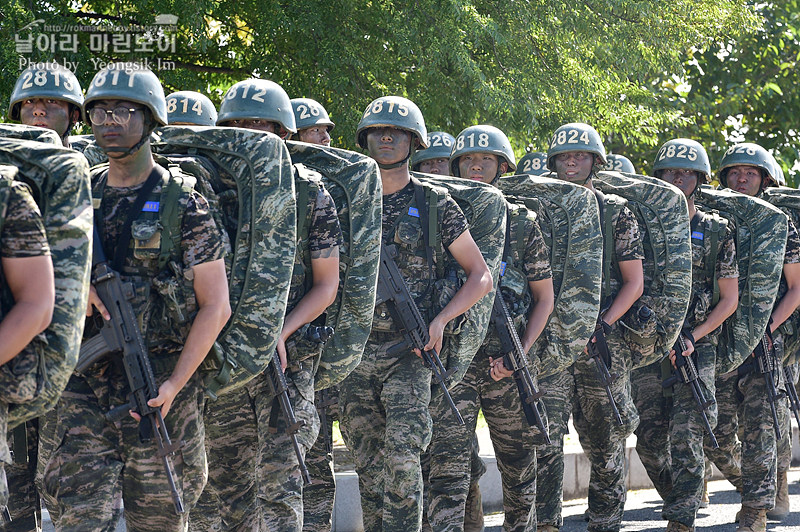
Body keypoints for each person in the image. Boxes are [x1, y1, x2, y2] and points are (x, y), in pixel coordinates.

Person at [38, 62, 231, 532]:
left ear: (150, 121)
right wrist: (73, 290)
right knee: (79, 520)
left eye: (124, 110)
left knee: (162, 520)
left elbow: (216, 305)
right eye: (100, 111)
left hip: (158, 390)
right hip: (83, 391)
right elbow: (33, 279)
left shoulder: (184, 203)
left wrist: (174, 384)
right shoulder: (74, 195)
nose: (110, 120)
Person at [192, 78, 342, 532]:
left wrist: (282, 330)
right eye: (240, 124)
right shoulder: (201, 187)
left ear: (285, 135)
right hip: (218, 358)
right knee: (215, 487)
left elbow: (326, 285)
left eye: (265, 125)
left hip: (285, 363)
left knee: (280, 486)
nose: (252, 133)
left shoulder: (310, 193)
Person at [339, 95, 493, 531]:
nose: (387, 138)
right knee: (369, 468)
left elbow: (480, 275)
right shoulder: (346, 200)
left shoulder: (433, 204)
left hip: (410, 354)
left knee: (404, 463)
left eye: (398, 132)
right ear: (366, 138)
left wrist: (442, 319)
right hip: (355, 354)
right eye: (379, 131)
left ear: (414, 142)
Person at [426, 124, 554, 532]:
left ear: (502, 166)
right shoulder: (440, 213)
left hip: (505, 363)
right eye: (467, 159)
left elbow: (544, 298)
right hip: (455, 362)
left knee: (518, 468)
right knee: (449, 465)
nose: (475, 166)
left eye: (485, 159)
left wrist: (519, 356)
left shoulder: (521, 223)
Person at [536, 123, 644, 532]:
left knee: (606, 439)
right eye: (564, 156)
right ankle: (545, 522)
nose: (572, 162)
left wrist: (602, 323)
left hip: (604, 341)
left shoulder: (616, 212)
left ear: (595, 161)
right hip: (552, 341)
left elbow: (634, 282)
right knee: (545, 436)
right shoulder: (541, 207)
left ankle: (605, 521)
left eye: (580, 155)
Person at [633, 138, 738, 532]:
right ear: (657, 177)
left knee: (689, 433)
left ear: (700, 178)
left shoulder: (715, 231)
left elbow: (728, 299)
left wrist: (695, 334)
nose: (679, 179)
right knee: (647, 437)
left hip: (698, 345)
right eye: (670, 172)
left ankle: (682, 520)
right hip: (649, 343)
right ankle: (679, 497)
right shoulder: (640, 227)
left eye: (687, 172)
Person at [3, 61, 83, 532]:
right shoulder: (7, 170)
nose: (38, 111)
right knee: (14, 474)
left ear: (72, 114)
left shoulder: (95, 169)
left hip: (76, 348)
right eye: (30, 103)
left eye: (51, 103)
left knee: (65, 476)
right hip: (16, 334)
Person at [704, 142, 800, 532]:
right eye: (734, 172)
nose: (741, 179)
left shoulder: (781, 225)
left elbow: (796, 288)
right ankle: (756, 487)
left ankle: (757, 509)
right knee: (717, 431)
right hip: (718, 339)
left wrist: (768, 327)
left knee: (763, 426)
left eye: (751, 172)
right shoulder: (710, 220)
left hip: (767, 341)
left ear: (765, 179)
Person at [8, 62, 83, 148]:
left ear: (74, 116)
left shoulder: (92, 157)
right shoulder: (5, 156)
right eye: (29, 101)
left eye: (51, 101)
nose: (38, 111)